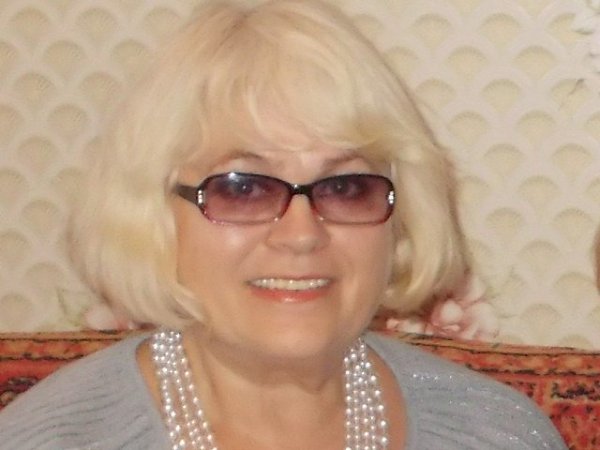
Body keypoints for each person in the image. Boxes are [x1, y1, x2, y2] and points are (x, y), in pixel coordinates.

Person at [0, 1, 567, 449]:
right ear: (154, 216)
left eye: (345, 187)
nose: (301, 235)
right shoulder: (52, 440)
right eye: (243, 188)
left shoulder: (497, 433)